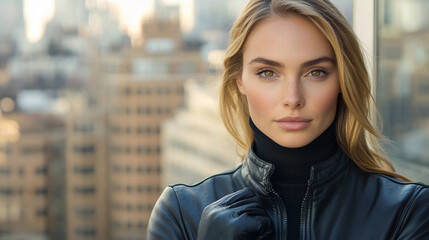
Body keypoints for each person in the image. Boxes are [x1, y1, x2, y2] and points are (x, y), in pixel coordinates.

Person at [147, 0, 429, 239]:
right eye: (268, 73)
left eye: (315, 72)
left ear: (343, 80)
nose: (293, 98)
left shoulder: (408, 212)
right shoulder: (181, 213)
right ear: (239, 81)